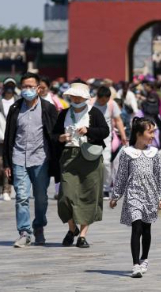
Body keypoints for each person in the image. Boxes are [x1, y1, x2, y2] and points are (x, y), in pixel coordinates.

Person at [3, 72, 60, 248]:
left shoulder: (48, 109)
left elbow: (55, 134)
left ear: (38, 88)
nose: (27, 90)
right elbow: (8, 137)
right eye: (24, 86)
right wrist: (7, 163)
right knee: (21, 197)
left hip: (41, 159)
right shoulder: (14, 109)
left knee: (41, 197)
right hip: (19, 158)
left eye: (31, 86)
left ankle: (39, 226)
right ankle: (24, 232)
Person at [52, 82, 110, 247]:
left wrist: (89, 131)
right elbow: (53, 134)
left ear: (85, 98)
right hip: (69, 157)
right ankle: (72, 228)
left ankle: (82, 235)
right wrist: (60, 138)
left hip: (89, 158)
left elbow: (104, 131)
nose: (76, 99)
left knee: (88, 196)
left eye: (79, 96)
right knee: (65, 196)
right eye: (73, 96)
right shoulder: (63, 114)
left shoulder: (95, 113)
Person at [110, 117, 161, 278]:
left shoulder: (154, 153)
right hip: (133, 194)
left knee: (147, 229)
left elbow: (160, 176)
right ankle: (135, 264)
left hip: (151, 195)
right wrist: (115, 196)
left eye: (153, 132)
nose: (153, 135)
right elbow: (121, 176)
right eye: (150, 132)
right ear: (138, 133)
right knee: (137, 227)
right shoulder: (127, 153)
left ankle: (144, 258)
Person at [90, 85, 127, 195]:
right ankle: (93, 187)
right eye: (101, 100)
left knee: (106, 162)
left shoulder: (112, 104)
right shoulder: (90, 103)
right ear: (97, 96)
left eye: (105, 100)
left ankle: (106, 188)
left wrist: (123, 135)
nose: (103, 103)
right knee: (92, 163)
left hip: (106, 137)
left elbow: (118, 120)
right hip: (91, 137)